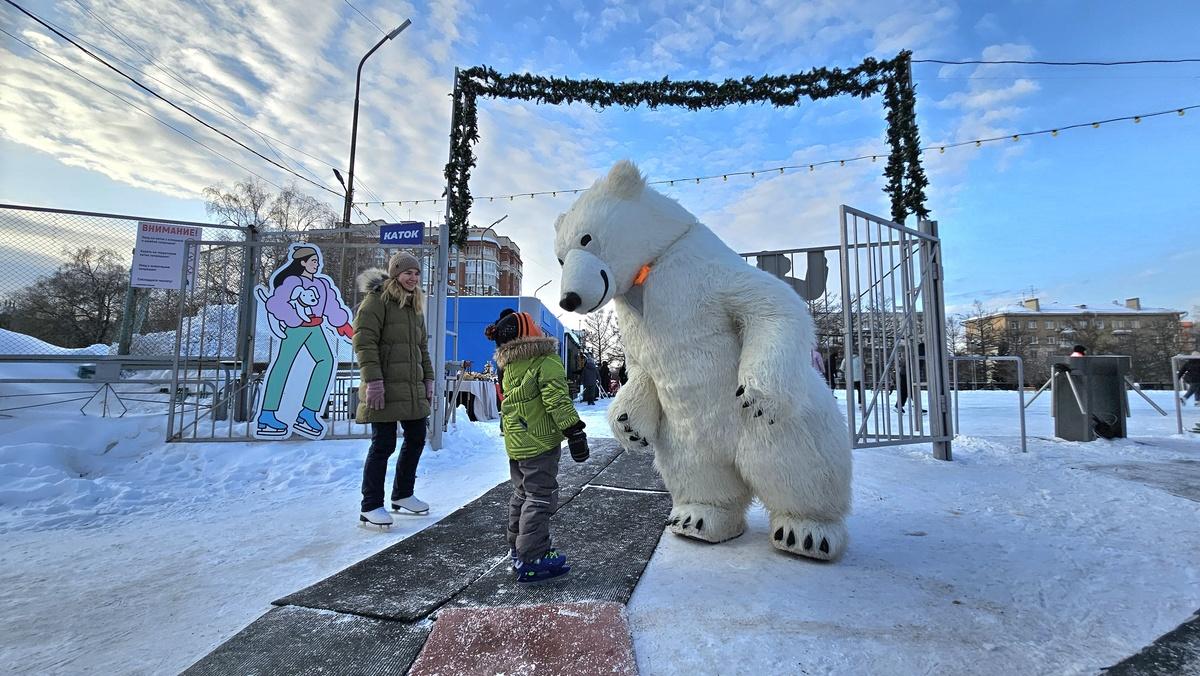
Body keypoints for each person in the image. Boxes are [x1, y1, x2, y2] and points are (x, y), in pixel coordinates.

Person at [486, 310, 589, 583]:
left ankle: (517, 548)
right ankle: (533, 555)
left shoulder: (509, 365)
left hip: (517, 441)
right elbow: (556, 398)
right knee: (541, 496)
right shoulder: (545, 360)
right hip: (540, 442)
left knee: (522, 494)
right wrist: (574, 430)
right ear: (531, 333)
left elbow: (509, 404)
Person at [353, 252, 434, 528]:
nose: (413, 278)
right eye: (407, 273)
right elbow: (364, 342)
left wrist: (429, 379)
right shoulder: (377, 301)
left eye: (416, 274)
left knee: (417, 437)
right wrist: (374, 381)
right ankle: (371, 505)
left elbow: (421, 348)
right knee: (384, 444)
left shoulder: (414, 306)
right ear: (395, 274)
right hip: (384, 387)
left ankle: (402, 494)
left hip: (411, 387)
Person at [258, 246, 354, 437]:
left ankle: (308, 413)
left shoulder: (321, 284)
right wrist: (295, 319)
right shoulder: (292, 282)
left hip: (315, 327)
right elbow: (276, 303)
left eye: (317, 262)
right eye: (313, 261)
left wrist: (345, 327)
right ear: (302, 262)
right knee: (283, 365)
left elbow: (332, 306)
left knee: (326, 361)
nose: (316, 265)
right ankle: (267, 415)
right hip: (297, 328)